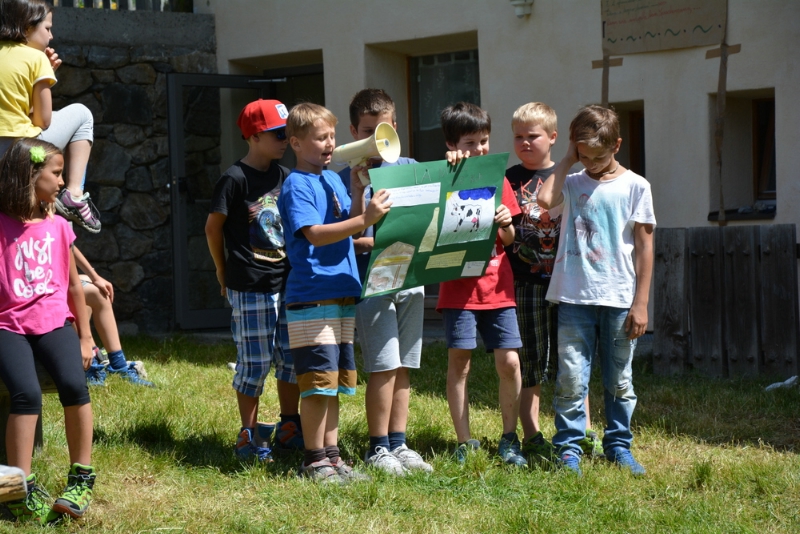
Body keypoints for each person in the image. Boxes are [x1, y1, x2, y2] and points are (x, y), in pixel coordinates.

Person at [537, 105, 655, 476]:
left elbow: (645, 246)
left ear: (616, 145)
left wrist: (641, 303)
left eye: (598, 157)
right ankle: (569, 448)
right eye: (583, 156)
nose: (590, 164)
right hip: (574, 298)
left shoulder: (636, 186)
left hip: (619, 299)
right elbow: (544, 201)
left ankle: (618, 446)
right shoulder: (572, 182)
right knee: (571, 378)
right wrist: (567, 159)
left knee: (619, 380)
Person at [277, 102, 390, 482]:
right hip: (313, 295)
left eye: (332, 136)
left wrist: (357, 192)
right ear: (296, 143)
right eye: (320, 138)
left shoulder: (330, 179)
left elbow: (349, 226)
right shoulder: (297, 184)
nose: (330, 144)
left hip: (340, 291)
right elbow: (314, 234)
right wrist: (366, 218)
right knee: (317, 384)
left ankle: (332, 456)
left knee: (334, 383)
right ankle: (313, 460)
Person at [0, 139, 96, 523]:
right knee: (27, 394)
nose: (61, 182)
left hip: (54, 322)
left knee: (75, 387)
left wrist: (86, 337)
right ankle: (15, 490)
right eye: (56, 174)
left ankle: (81, 479)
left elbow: (74, 288)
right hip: (7, 324)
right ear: (29, 175)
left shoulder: (59, 226)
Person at [338, 89, 431, 475]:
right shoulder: (345, 178)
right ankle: (377, 447)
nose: (377, 140)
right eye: (367, 132)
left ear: (395, 126)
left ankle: (398, 442)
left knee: (404, 363)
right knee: (384, 364)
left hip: (409, 278)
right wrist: (359, 191)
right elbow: (344, 236)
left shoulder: (410, 167)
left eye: (384, 130)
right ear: (353, 132)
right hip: (372, 282)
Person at [205, 99, 302, 462]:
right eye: (278, 134)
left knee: (290, 358)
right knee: (256, 362)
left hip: (287, 282)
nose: (284, 140)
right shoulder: (234, 179)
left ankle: (290, 426)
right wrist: (221, 269)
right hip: (250, 283)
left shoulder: (286, 176)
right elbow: (212, 227)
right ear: (255, 136)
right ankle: (248, 435)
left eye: (287, 134)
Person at [504, 102, 602, 462]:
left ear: (554, 137)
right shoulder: (508, 179)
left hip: (568, 283)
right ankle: (532, 434)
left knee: (572, 361)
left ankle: (582, 432)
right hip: (525, 282)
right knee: (530, 361)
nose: (525, 142)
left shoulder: (570, 178)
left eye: (533, 135)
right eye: (518, 136)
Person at [437, 102, 526, 467]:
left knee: (510, 362)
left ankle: (509, 438)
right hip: (458, 289)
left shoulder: (497, 177)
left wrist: (506, 222)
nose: (478, 149)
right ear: (452, 144)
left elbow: (508, 239)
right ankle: (464, 441)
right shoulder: (444, 174)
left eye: (484, 140)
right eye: (469, 142)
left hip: (498, 288)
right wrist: (447, 167)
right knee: (460, 363)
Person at [0, 0, 100, 233]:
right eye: (47, 28)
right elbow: (42, 121)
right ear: (27, 28)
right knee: (82, 115)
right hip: (21, 151)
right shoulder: (36, 59)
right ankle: (74, 195)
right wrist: (45, 73)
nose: (51, 36)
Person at [71, 246, 154, 387]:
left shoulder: (58, 231)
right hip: (41, 289)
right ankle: (96, 365)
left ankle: (116, 364)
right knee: (92, 294)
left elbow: (70, 245)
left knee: (94, 287)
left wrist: (95, 277)